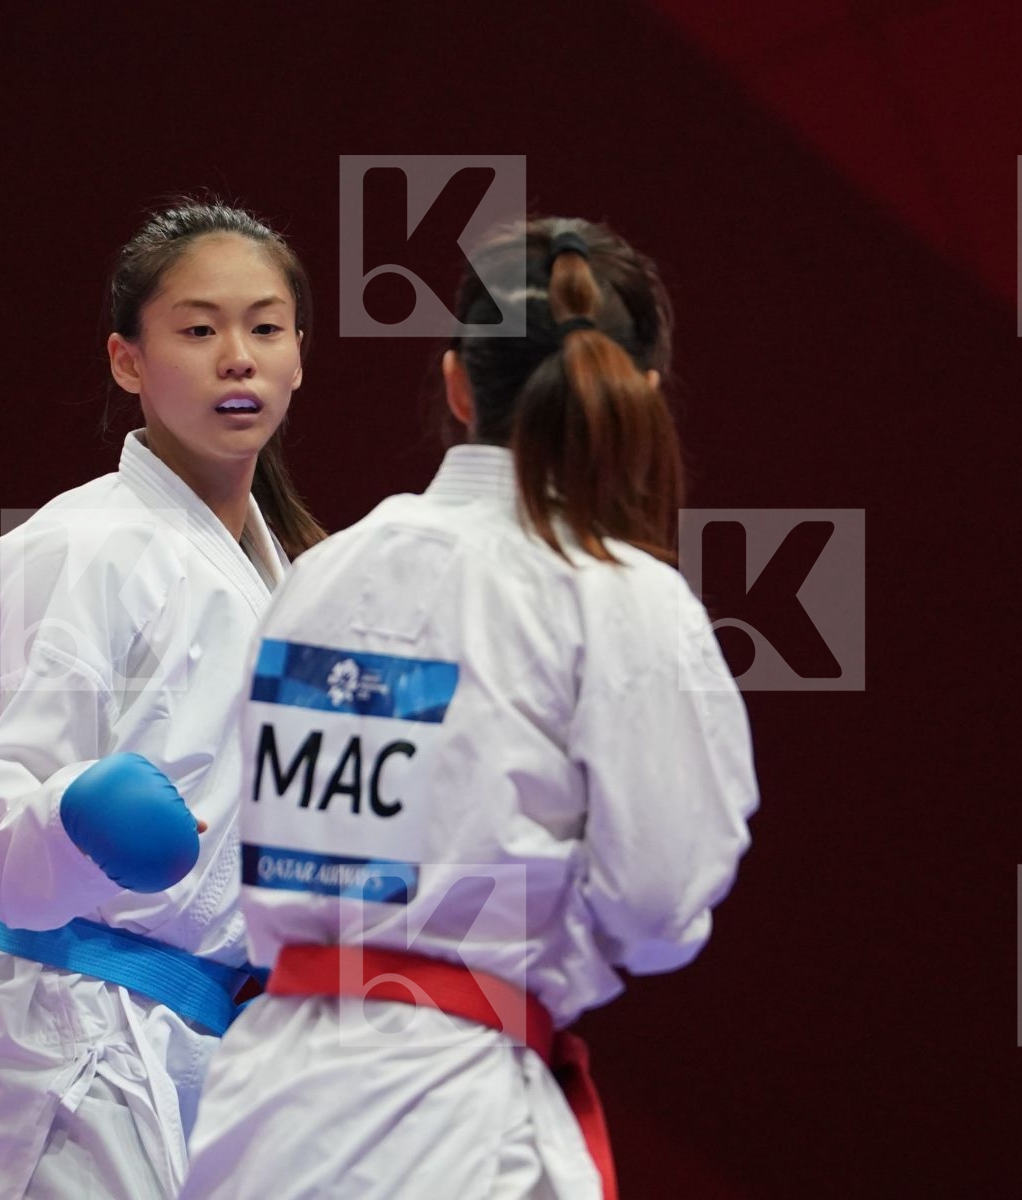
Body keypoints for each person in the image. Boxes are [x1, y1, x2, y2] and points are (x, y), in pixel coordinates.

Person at [179, 217, 760, 1199]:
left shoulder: (320, 577)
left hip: (262, 1113)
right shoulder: (614, 593)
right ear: (642, 395)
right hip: (453, 1125)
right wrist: (548, 934)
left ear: (457, 384)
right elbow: (661, 902)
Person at [0, 198, 326, 1200]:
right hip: (68, 1041)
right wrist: (77, 815)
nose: (237, 356)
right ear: (126, 360)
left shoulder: (305, 582)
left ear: (299, 359)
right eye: (198, 329)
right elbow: (0, 839)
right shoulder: (77, 547)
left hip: (223, 1050)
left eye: (264, 328)